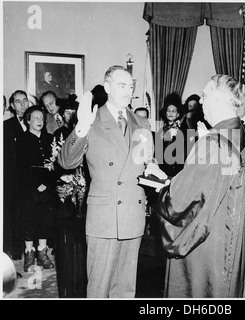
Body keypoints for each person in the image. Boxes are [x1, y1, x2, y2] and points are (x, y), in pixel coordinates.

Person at [58, 65, 166, 298]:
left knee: (126, 288)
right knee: (99, 287)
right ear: (107, 87)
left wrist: (153, 166)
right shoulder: (92, 119)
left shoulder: (142, 122)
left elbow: (146, 159)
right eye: (121, 85)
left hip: (133, 213)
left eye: (130, 86)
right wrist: (82, 126)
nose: (128, 91)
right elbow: (66, 161)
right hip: (105, 216)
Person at [156, 74, 245, 298]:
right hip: (233, 247)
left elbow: (181, 203)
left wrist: (164, 185)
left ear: (218, 100)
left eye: (204, 96)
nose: (201, 102)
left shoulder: (215, 143)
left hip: (207, 253)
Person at [16, 105, 58, 272]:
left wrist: (47, 184)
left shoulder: (49, 139)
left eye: (41, 118)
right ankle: (29, 255)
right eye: (35, 118)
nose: (39, 121)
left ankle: (42, 254)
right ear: (28, 120)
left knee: (45, 219)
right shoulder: (22, 139)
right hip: (29, 188)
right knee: (29, 220)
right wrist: (35, 184)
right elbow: (21, 166)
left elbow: (55, 163)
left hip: (47, 187)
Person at [3, 90, 30, 261]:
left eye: (25, 100)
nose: (22, 104)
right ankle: (16, 249)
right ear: (12, 106)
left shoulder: (36, 120)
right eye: (18, 102)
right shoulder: (7, 126)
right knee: (13, 213)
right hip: (13, 178)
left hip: (32, 178)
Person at [156, 92, 186, 178]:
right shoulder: (161, 131)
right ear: (165, 113)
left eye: (174, 111)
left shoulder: (182, 131)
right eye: (168, 111)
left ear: (178, 114)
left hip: (176, 170)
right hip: (162, 169)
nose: (170, 113)